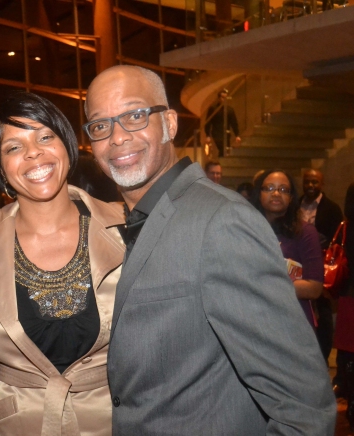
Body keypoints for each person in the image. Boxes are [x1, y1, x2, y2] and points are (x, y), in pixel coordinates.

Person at [83, 65, 335, 435]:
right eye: (100, 125)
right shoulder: (143, 218)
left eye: (135, 116)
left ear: (169, 123)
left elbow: (303, 406)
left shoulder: (222, 220)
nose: (117, 137)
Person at [0, 92, 125, 436]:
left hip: (116, 422)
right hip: (12, 426)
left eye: (45, 136)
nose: (34, 152)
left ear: (67, 146)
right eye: (14, 147)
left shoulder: (125, 227)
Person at [251, 169, 324, 327]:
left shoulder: (305, 232)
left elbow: (314, 287)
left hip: (293, 322)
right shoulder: (247, 229)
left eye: (283, 189)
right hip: (254, 319)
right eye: (269, 188)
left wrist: (266, 284)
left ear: (291, 198)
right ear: (259, 193)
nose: (276, 193)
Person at [300, 168, 343, 364]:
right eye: (307, 182)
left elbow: (337, 240)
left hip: (323, 266)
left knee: (324, 313)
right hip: (298, 265)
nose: (310, 186)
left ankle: (323, 357)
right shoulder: (295, 205)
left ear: (322, 184)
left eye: (314, 182)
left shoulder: (332, 209)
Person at [334, 182, 354, 428]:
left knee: (349, 355)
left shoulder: (347, 227)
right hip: (351, 298)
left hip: (349, 297)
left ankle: (350, 403)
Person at [205, 88, 241, 157]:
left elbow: (234, 122)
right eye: (222, 97)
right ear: (219, 98)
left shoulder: (230, 110)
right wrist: (208, 135)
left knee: (225, 151)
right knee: (222, 149)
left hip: (226, 133)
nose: (224, 99)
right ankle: (221, 163)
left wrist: (237, 135)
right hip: (216, 133)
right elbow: (208, 122)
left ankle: (221, 164)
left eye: (225, 97)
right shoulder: (213, 109)